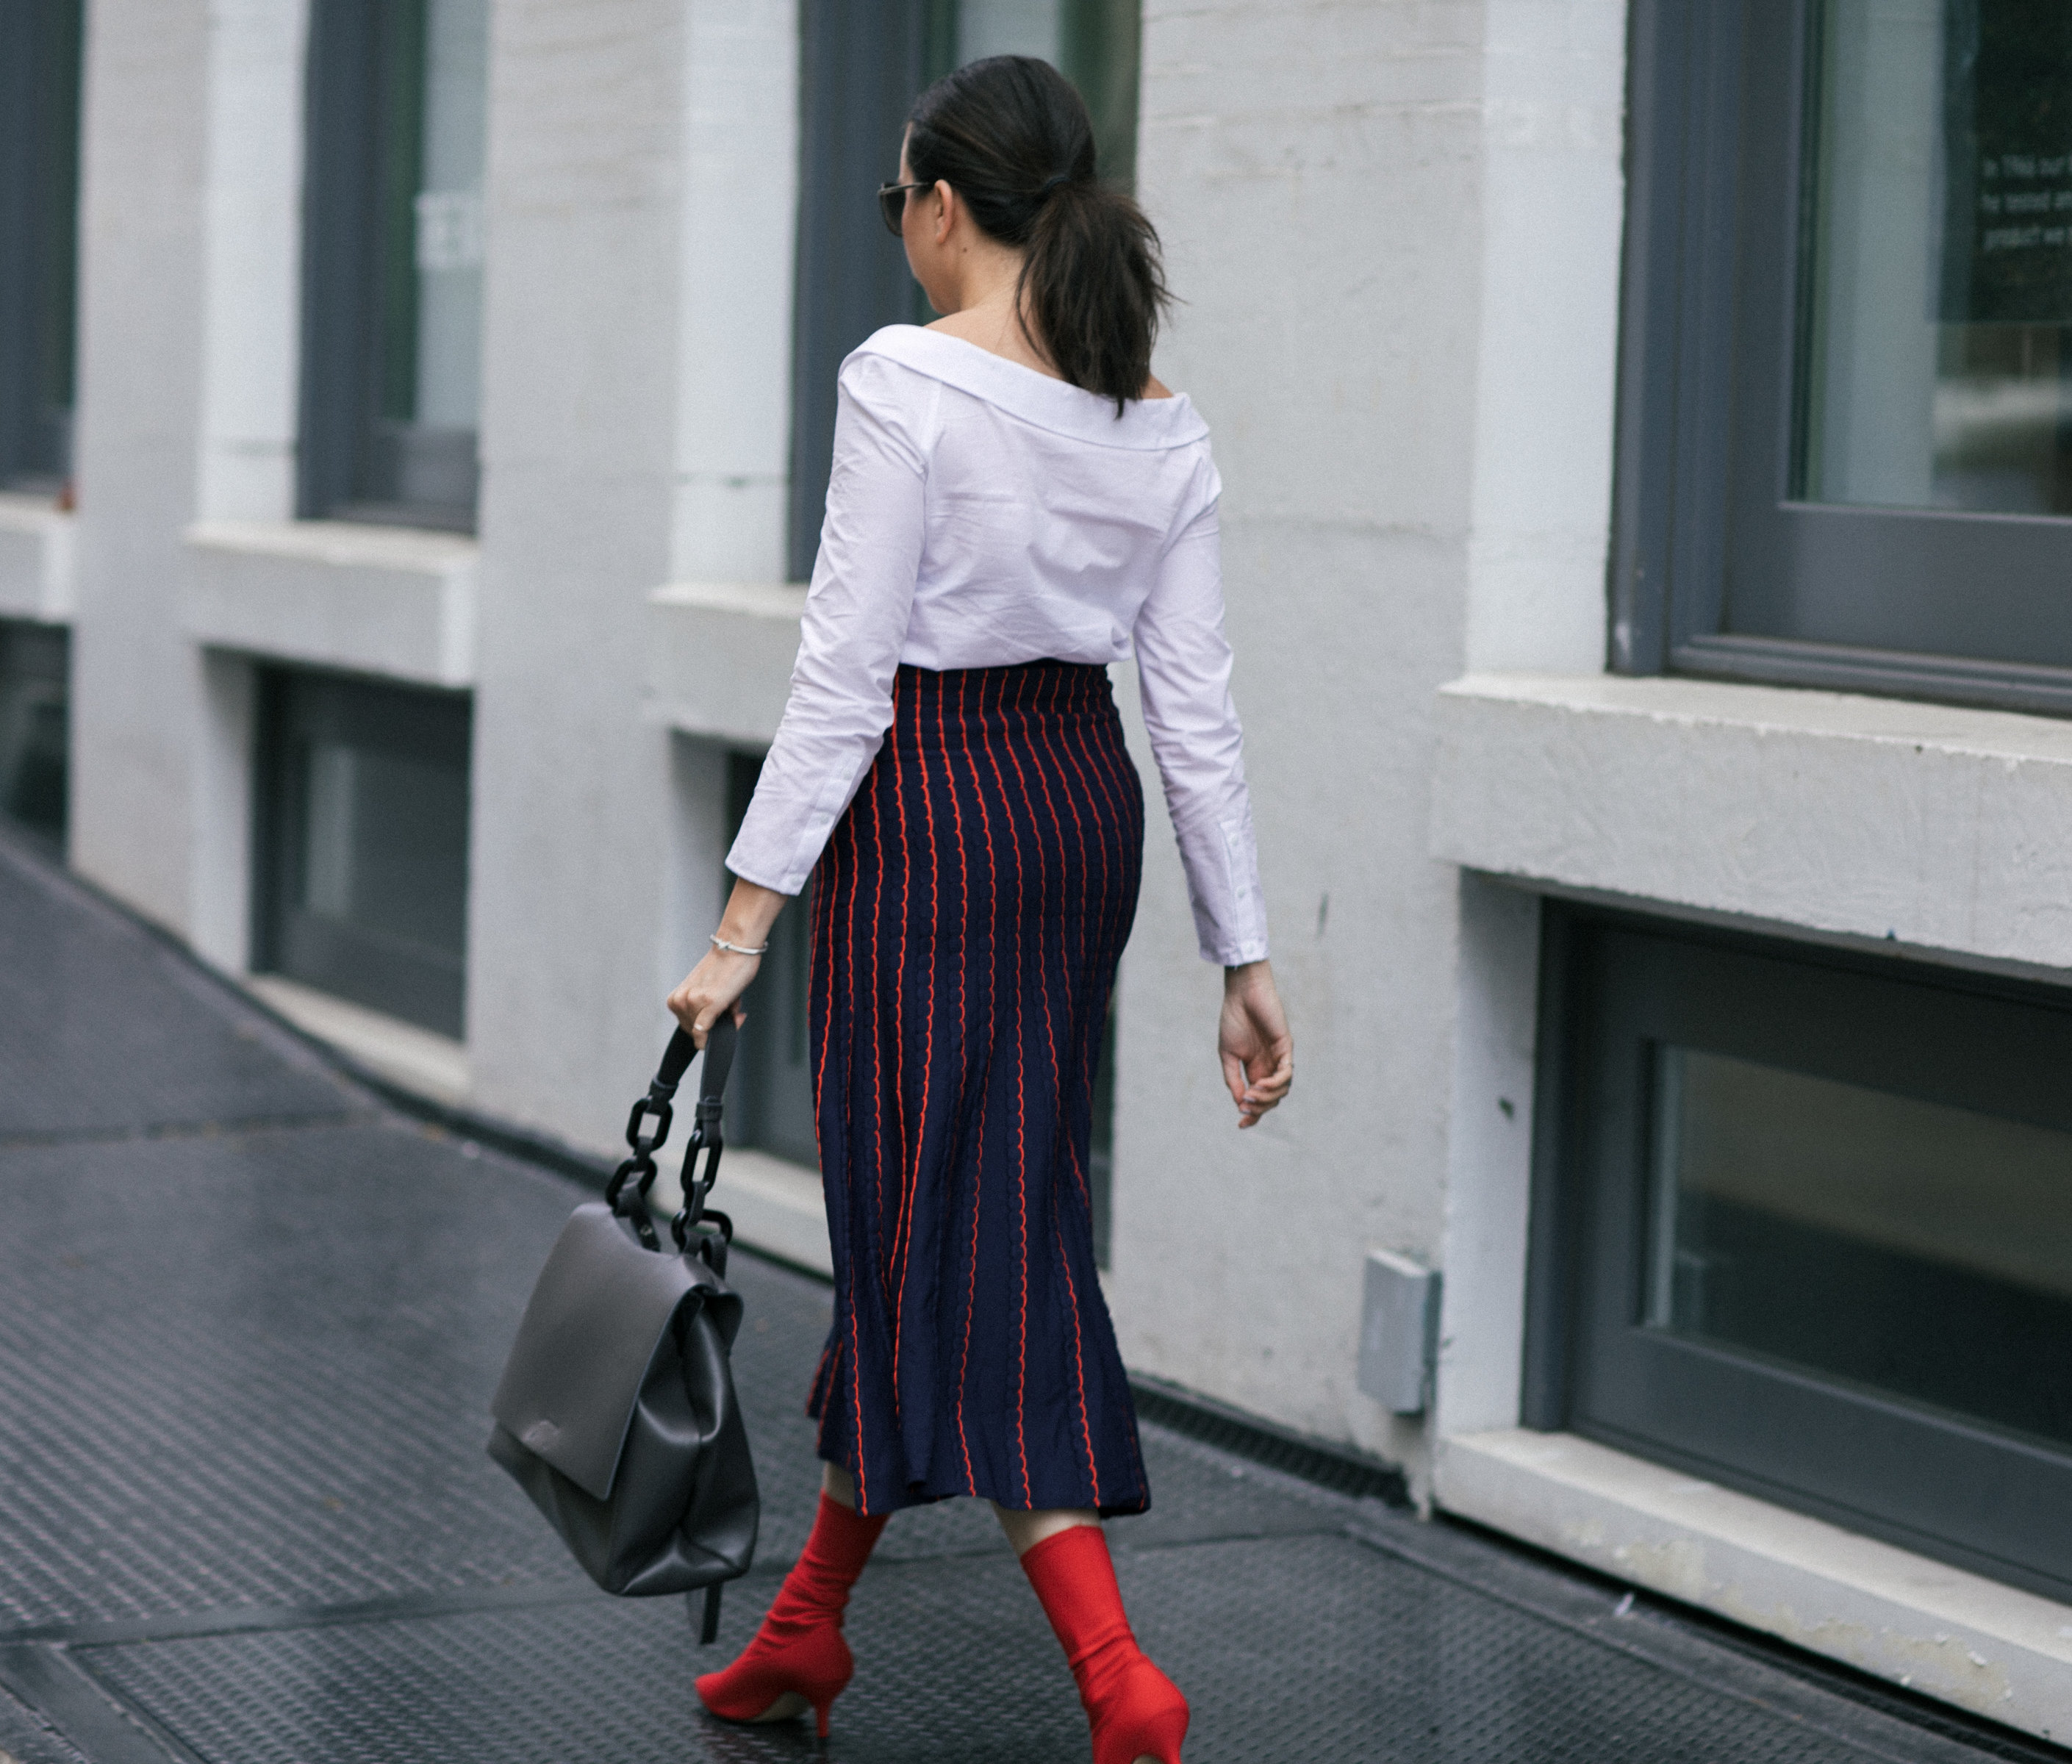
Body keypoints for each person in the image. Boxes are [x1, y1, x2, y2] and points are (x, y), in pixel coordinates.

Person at [667, 53, 1290, 1764]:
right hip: (1076, 814)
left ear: (944, 206)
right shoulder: (1155, 413)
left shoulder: (905, 381)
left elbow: (842, 680)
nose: (901, 239)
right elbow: (1196, 711)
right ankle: (803, 1633)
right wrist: (1239, 953)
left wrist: (739, 929)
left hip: (930, 816)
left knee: (961, 1222)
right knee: (954, 1209)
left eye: (901, 206)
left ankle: (1118, 1678)